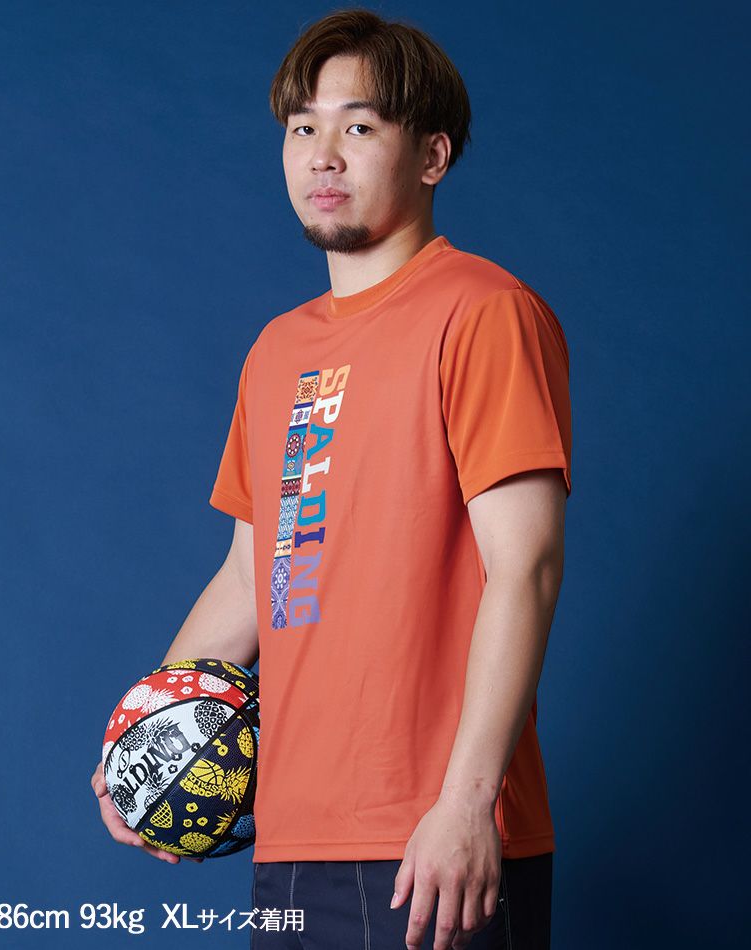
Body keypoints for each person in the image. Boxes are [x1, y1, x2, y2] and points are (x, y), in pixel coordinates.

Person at [91, 8, 572, 949]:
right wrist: (145, 738)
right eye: (303, 127)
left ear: (431, 156)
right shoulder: (277, 350)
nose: (322, 155)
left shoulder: (484, 312)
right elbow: (249, 577)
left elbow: (528, 567)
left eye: (359, 127)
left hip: (432, 843)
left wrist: (466, 803)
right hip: (293, 831)